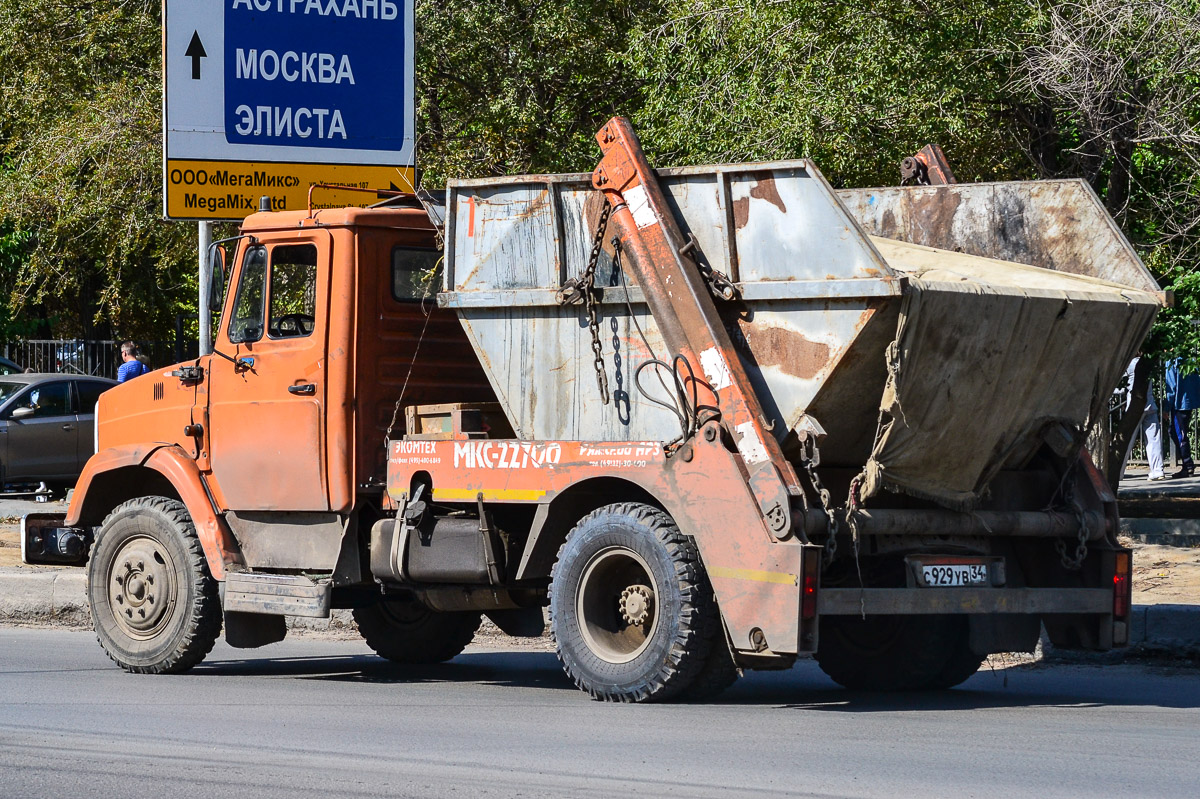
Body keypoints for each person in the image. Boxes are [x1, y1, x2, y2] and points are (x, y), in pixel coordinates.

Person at [1120, 356, 1165, 481]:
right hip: (1150, 404)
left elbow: (1122, 386)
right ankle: (1158, 470)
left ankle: (1118, 472)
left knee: (1127, 439)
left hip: (1134, 407)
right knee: (1154, 439)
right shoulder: (1148, 363)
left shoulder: (1130, 364)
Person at [1164, 358, 1200, 478]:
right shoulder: (1189, 358)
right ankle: (1187, 464)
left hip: (1179, 403)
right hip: (1189, 400)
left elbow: (1171, 386)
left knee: (1179, 434)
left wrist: (1166, 407)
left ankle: (1187, 464)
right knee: (1178, 432)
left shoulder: (1171, 361)